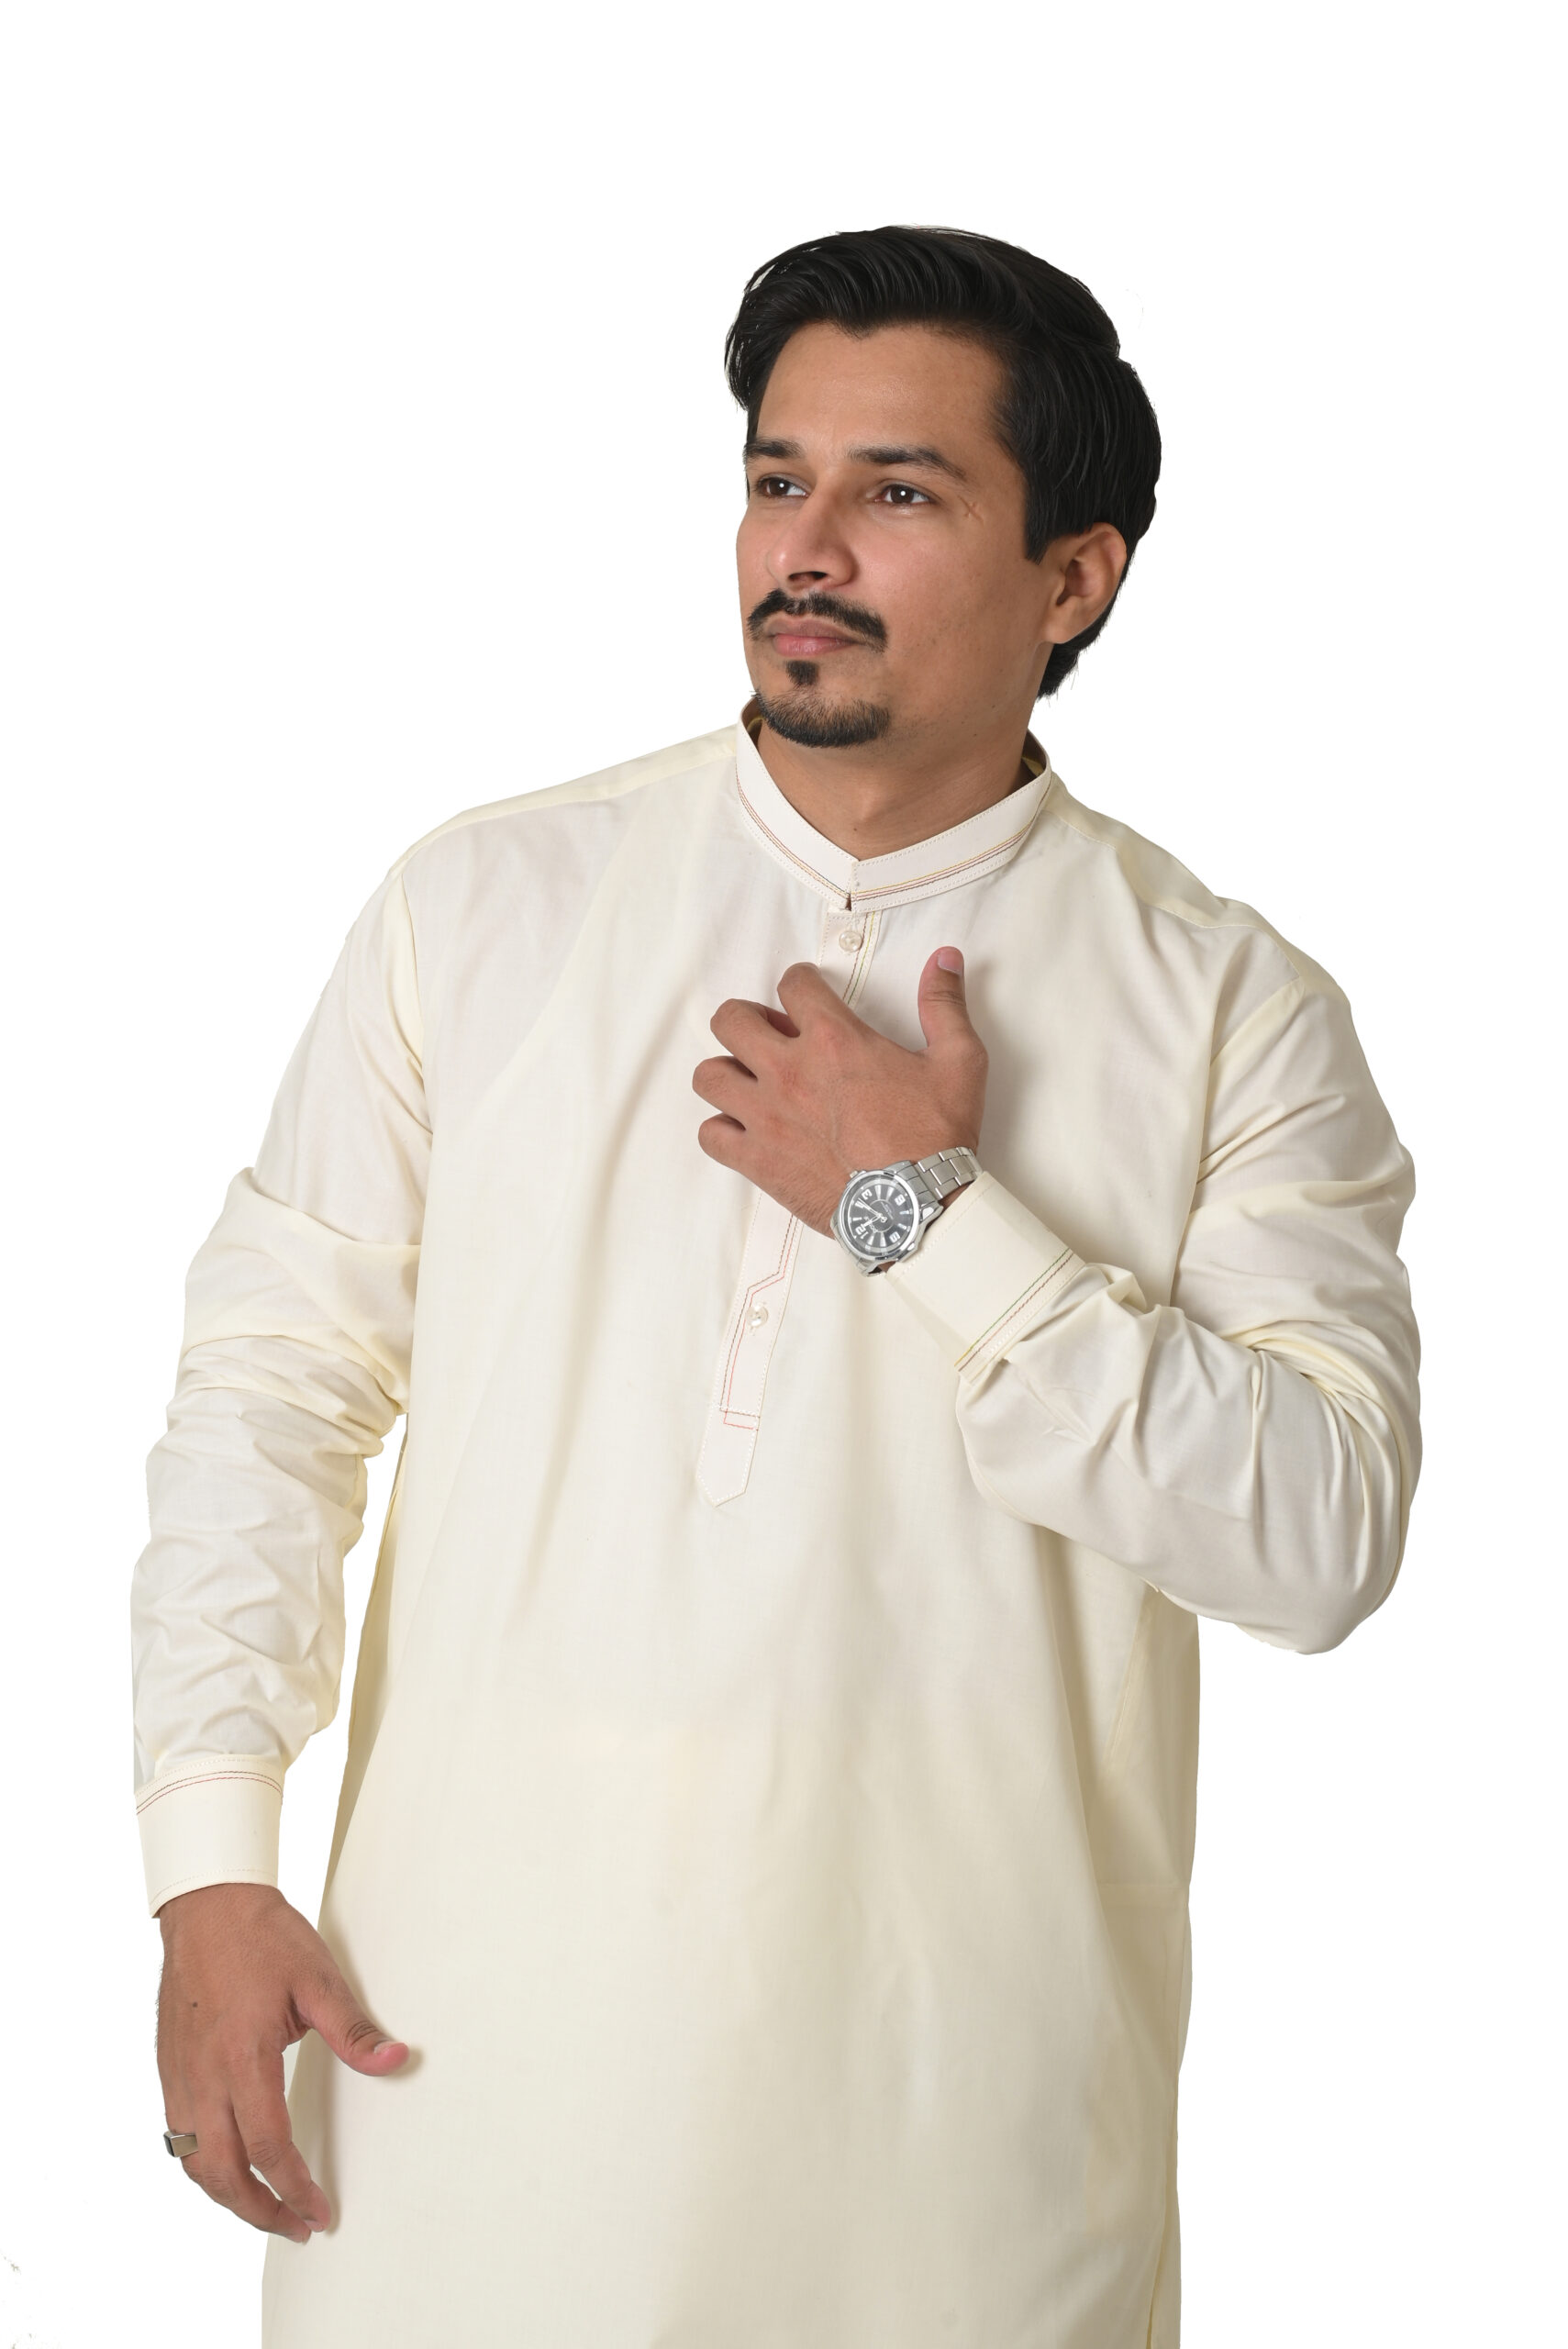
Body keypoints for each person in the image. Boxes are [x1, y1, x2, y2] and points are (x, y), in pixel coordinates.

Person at [133, 226, 1421, 2349]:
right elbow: (271, 1391)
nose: (804, 548)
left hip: (973, 2183)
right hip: (456, 2114)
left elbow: (1316, 1535)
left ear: (1076, 575)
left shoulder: (1229, 1011)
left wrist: (928, 1214)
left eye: (897, 490)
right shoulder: (487, 905)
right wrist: (206, 1856)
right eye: (774, 477)